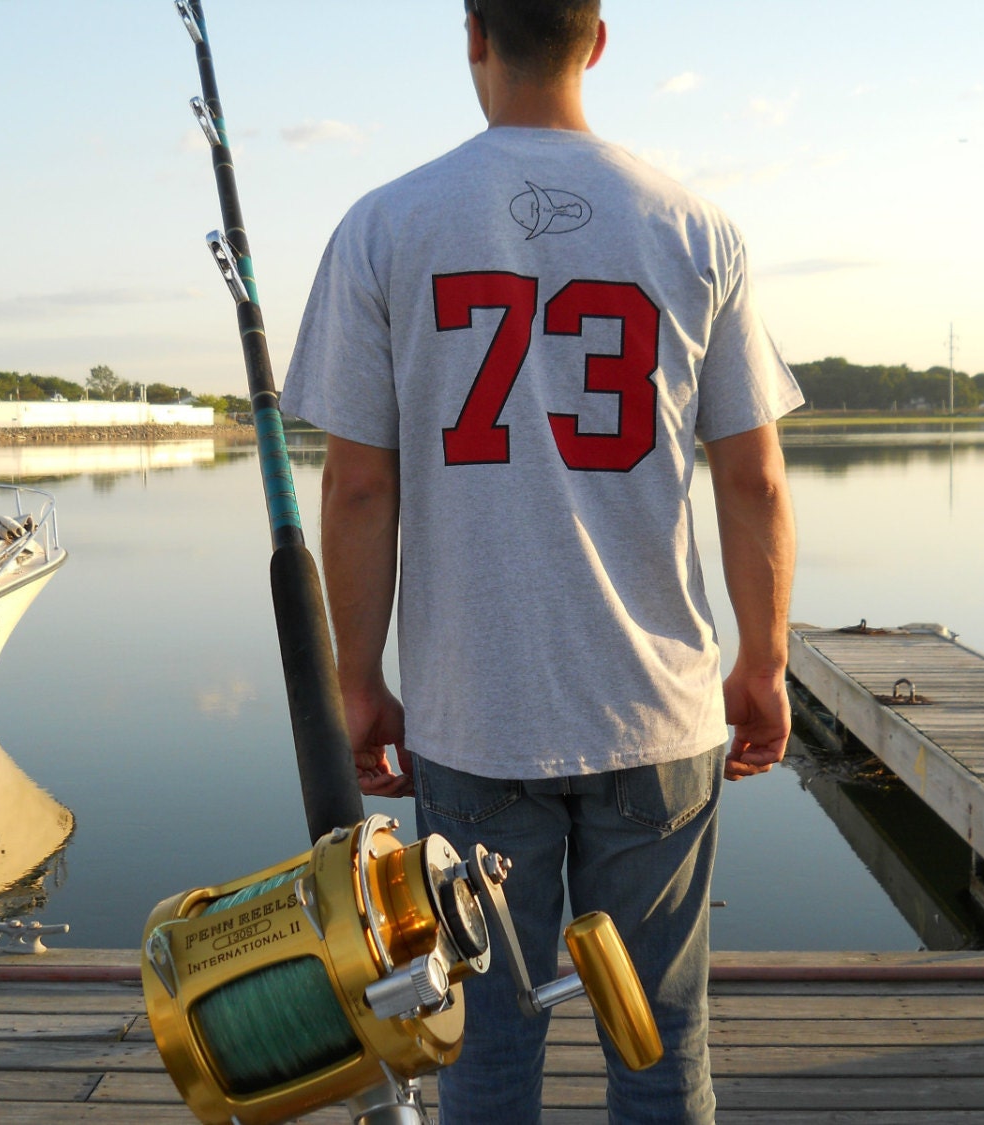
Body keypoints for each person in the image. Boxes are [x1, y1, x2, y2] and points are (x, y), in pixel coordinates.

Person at [281, 1, 802, 1121]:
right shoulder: (697, 227)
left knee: (485, 1049)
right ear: (597, 40)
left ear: (474, 34)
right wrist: (766, 660)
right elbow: (753, 480)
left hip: (477, 721)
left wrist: (358, 682)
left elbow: (360, 486)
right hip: (658, 720)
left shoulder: (385, 225)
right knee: (661, 1050)